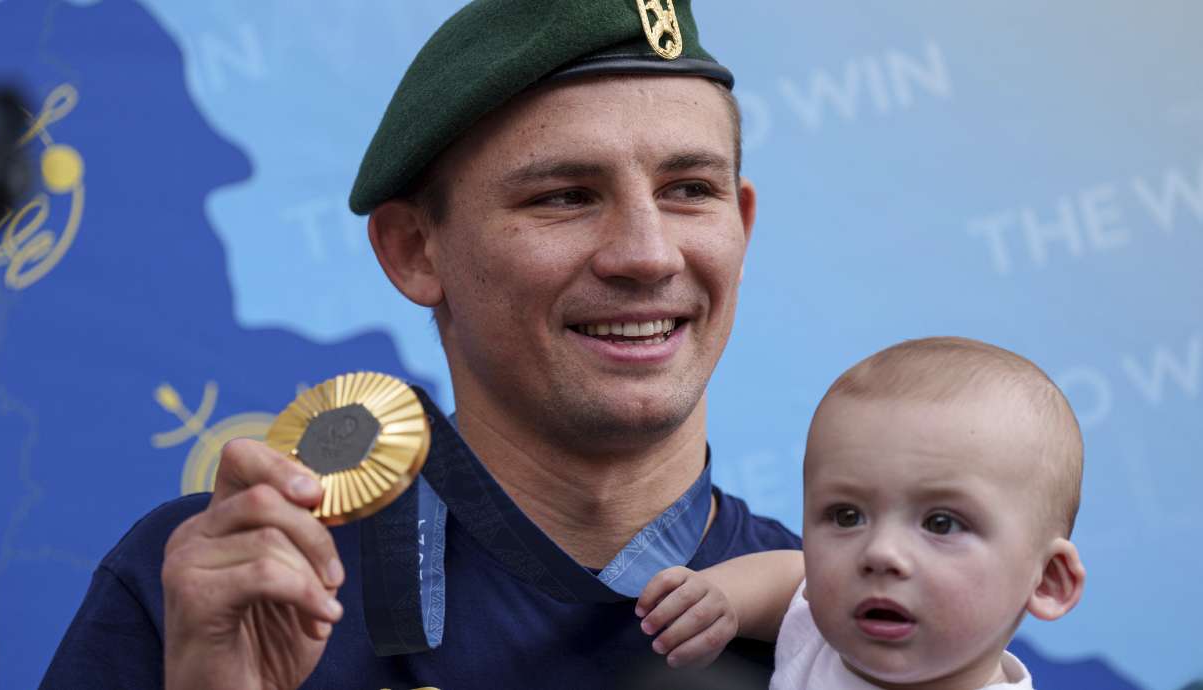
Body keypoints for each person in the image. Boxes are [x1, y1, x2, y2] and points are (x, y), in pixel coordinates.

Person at [40, 1, 805, 688]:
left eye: (689, 191)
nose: (647, 254)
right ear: (414, 251)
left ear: (741, 222)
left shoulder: (852, 623)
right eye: (564, 196)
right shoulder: (216, 589)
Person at [637, 337, 1086, 689]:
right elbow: (791, 579)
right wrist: (721, 598)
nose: (880, 552)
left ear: (1046, 579)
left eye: (940, 524)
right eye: (847, 516)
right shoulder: (818, 636)